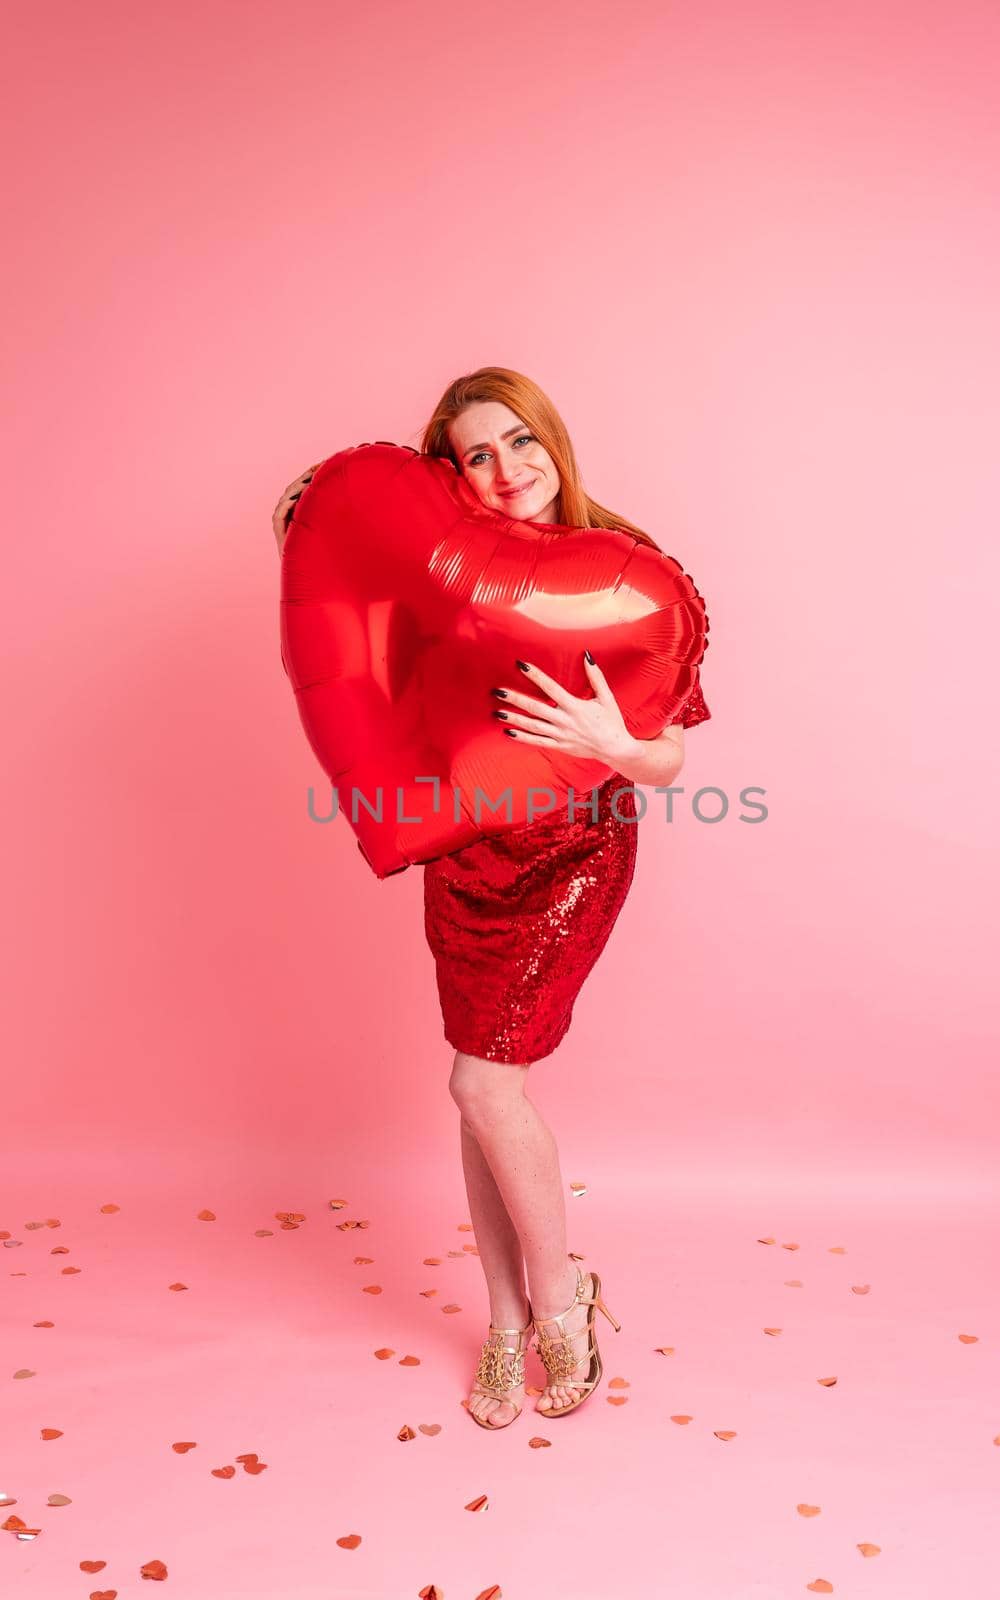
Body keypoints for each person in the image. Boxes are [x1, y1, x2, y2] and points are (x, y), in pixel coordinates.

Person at [272, 367, 711, 1430]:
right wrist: (312, 512)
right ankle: (504, 1318)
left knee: (480, 1083)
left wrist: (613, 745)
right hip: (465, 852)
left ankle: (563, 1306)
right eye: (476, 452)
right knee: (483, 1090)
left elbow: (668, 757)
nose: (506, 468)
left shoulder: (631, 568)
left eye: (520, 441)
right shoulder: (444, 571)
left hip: (572, 852)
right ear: (451, 469)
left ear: (552, 443)